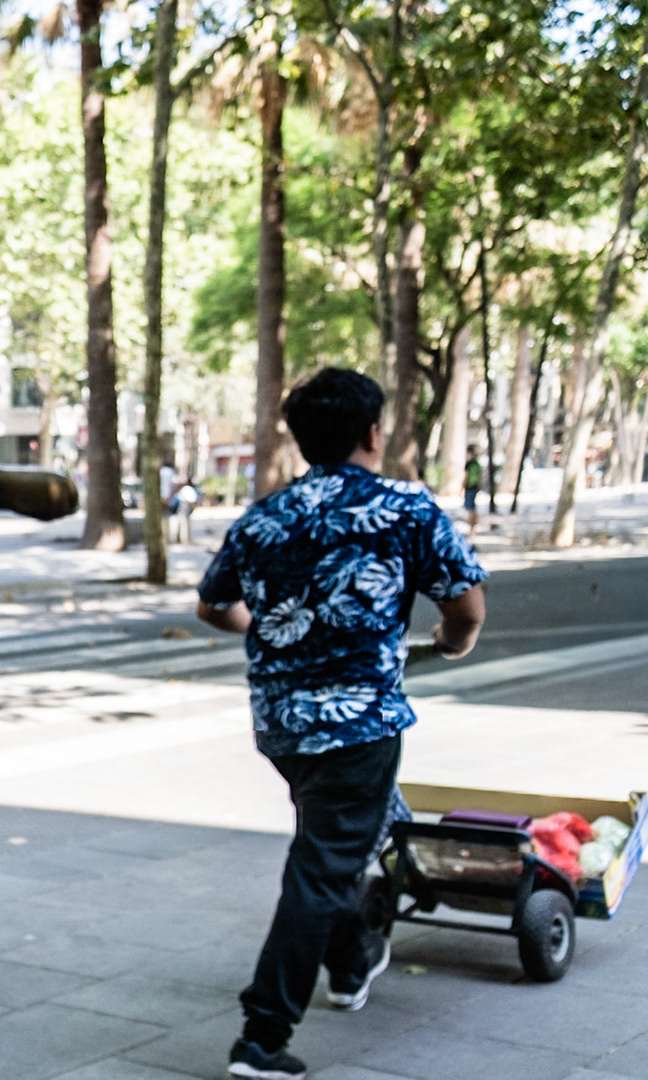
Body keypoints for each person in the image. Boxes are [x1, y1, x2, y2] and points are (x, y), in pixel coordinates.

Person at [195, 368, 487, 1080]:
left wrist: (267, 630)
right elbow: (467, 608)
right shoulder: (405, 509)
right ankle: (262, 1036)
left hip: (283, 724)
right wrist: (449, 645)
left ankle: (353, 964)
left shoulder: (265, 516)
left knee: (333, 844)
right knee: (323, 864)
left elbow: (213, 603)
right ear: (372, 433)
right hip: (360, 723)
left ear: (299, 440)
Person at [462, 447, 483, 533]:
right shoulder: (477, 464)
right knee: (473, 506)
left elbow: (465, 476)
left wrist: (462, 486)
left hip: (469, 487)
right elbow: (479, 476)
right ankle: (475, 525)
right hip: (475, 487)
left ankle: (471, 527)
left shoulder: (469, 464)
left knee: (470, 507)